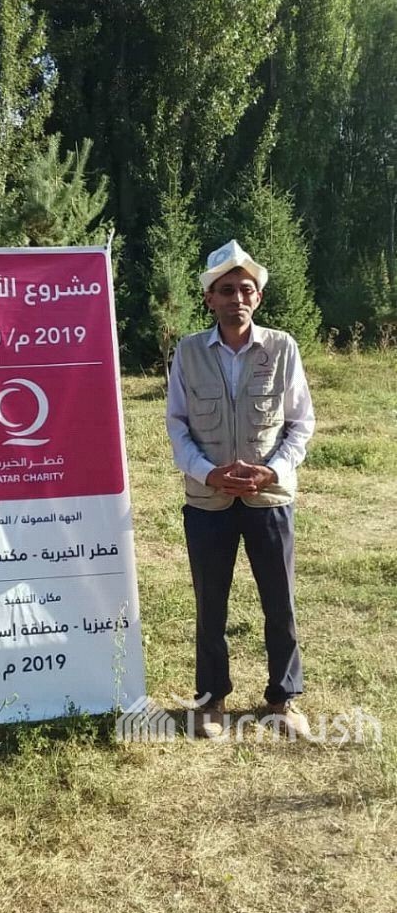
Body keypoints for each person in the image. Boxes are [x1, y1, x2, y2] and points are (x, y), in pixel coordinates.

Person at [166, 239, 315, 739]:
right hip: (207, 500)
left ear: (258, 297)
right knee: (210, 604)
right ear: (209, 298)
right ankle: (211, 701)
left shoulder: (282, 347)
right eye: (226, 290)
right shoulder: (188, 352)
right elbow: (177, 424)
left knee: (280, 601)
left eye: (246, 290)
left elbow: (301, 423)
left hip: (269, 498)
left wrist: (274, 471)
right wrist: (207, 473)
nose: (237, 298)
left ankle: (283, 699)